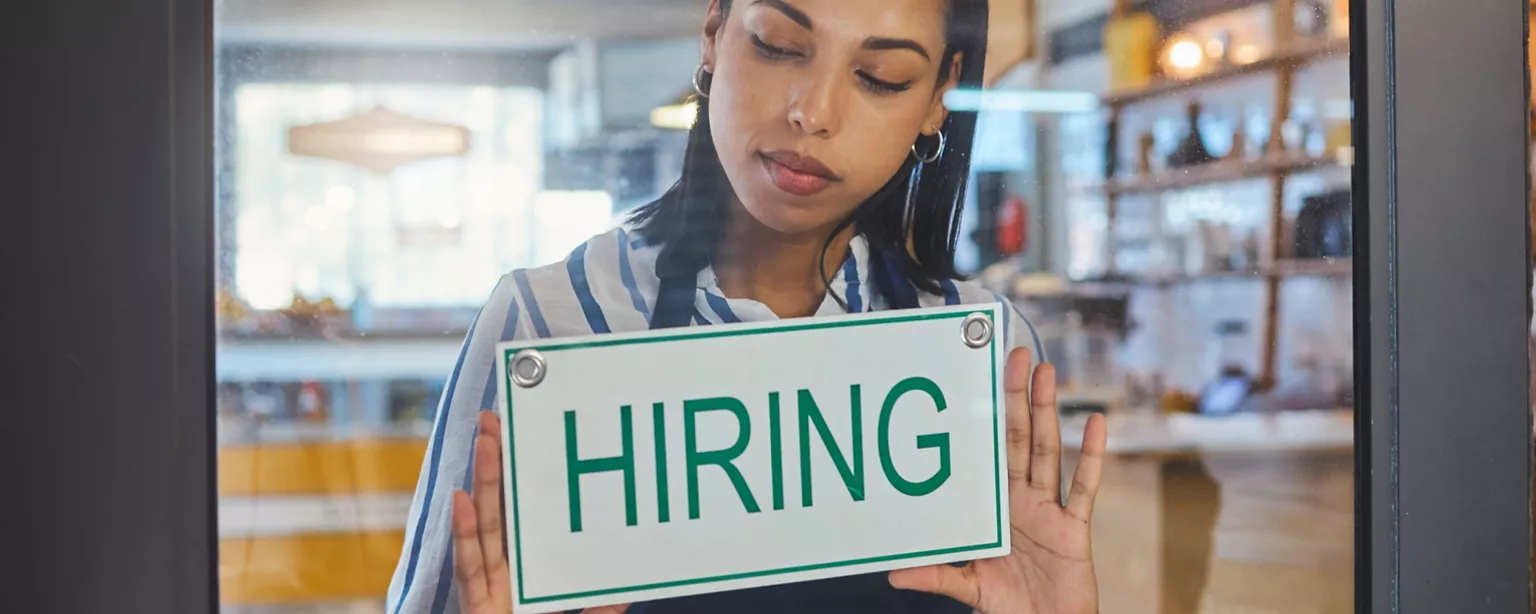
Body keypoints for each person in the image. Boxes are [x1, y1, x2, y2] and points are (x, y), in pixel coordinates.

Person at [386, 0, 1108, 612]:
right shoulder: (546, 322)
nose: (813, 113)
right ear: (714, 32)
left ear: (938, 97)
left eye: (880, 77)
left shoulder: (979, 352)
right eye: (779, 46)